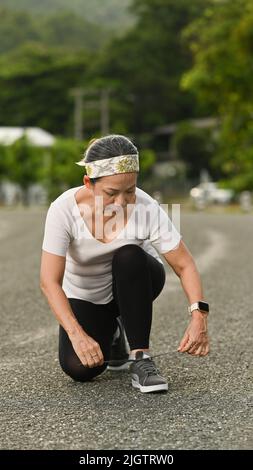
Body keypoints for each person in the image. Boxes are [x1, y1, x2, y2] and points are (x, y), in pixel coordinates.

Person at [40, 134, 209, 394]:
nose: (121, 202)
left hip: (136, 280)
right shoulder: (63, 210)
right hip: (88, 295)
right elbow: (49, 281)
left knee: (128, 254)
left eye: (129, 191)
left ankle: (141, 358)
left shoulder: (146, 207)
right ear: (88, 183)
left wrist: (199, 316)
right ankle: (115, 331)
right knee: (79, 369)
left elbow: (184, 264)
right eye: (111, 193)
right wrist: (77, 335)